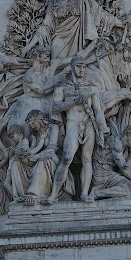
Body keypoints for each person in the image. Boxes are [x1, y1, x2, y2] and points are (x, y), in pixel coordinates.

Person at [43, 56, 110, 204]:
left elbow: (98, 111)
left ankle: (84, 194)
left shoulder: (91, 88)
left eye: (84, 67)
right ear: (73, 67)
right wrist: (75, 101)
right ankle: (54, 194)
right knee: (67, 157)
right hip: (73, 123)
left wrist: (102, 129)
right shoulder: (63, 86)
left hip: (88, 124)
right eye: (79, 66)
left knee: (87, 159)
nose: (82, 69)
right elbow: (56, 107)